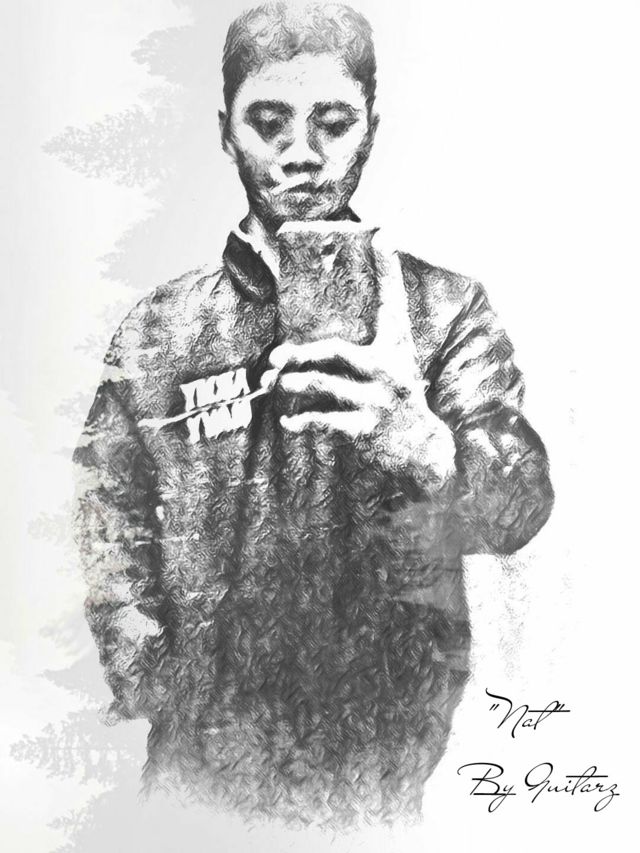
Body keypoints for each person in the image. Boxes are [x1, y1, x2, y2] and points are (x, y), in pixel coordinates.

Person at [73, 1, 554, 828]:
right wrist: (159, 682)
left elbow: (520, 510)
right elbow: (108, 514)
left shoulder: (443, 311)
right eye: (269, 122)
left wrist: (425, 443)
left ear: (370, 130)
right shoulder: (161, 329)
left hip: (378, 779)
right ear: (226, 132)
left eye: (333, 122)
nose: (301, 152)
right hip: (199, 778)